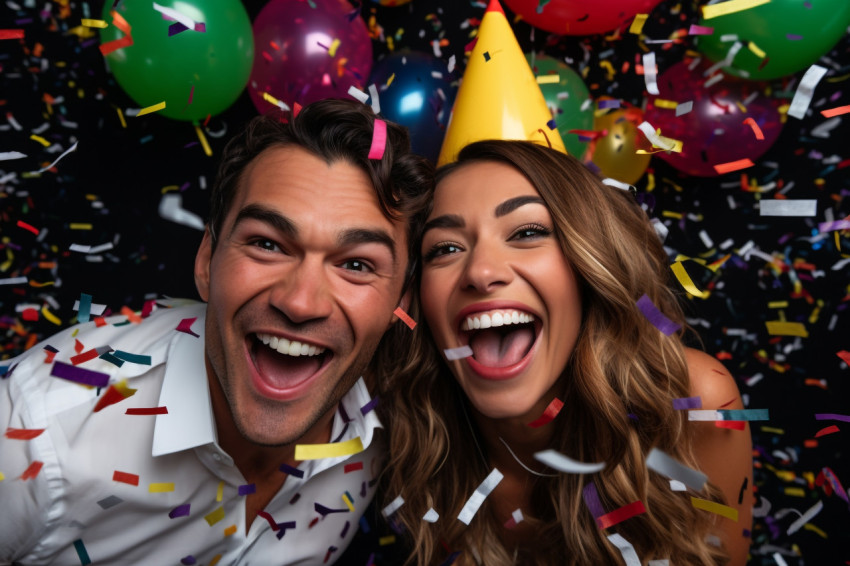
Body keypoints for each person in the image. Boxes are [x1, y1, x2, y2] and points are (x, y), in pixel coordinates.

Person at [0, 99, 433, 565]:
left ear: (402, 303)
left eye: (356, 264)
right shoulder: (34, 430)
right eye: (267, 244)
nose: (300, 301)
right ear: (207, 261)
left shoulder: (391, 428)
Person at [378, 140, 753, 565]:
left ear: (589, 265)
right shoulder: (398, 419)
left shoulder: (695, 402)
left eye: (527, 233)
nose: (481, 272)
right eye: (444, 248)